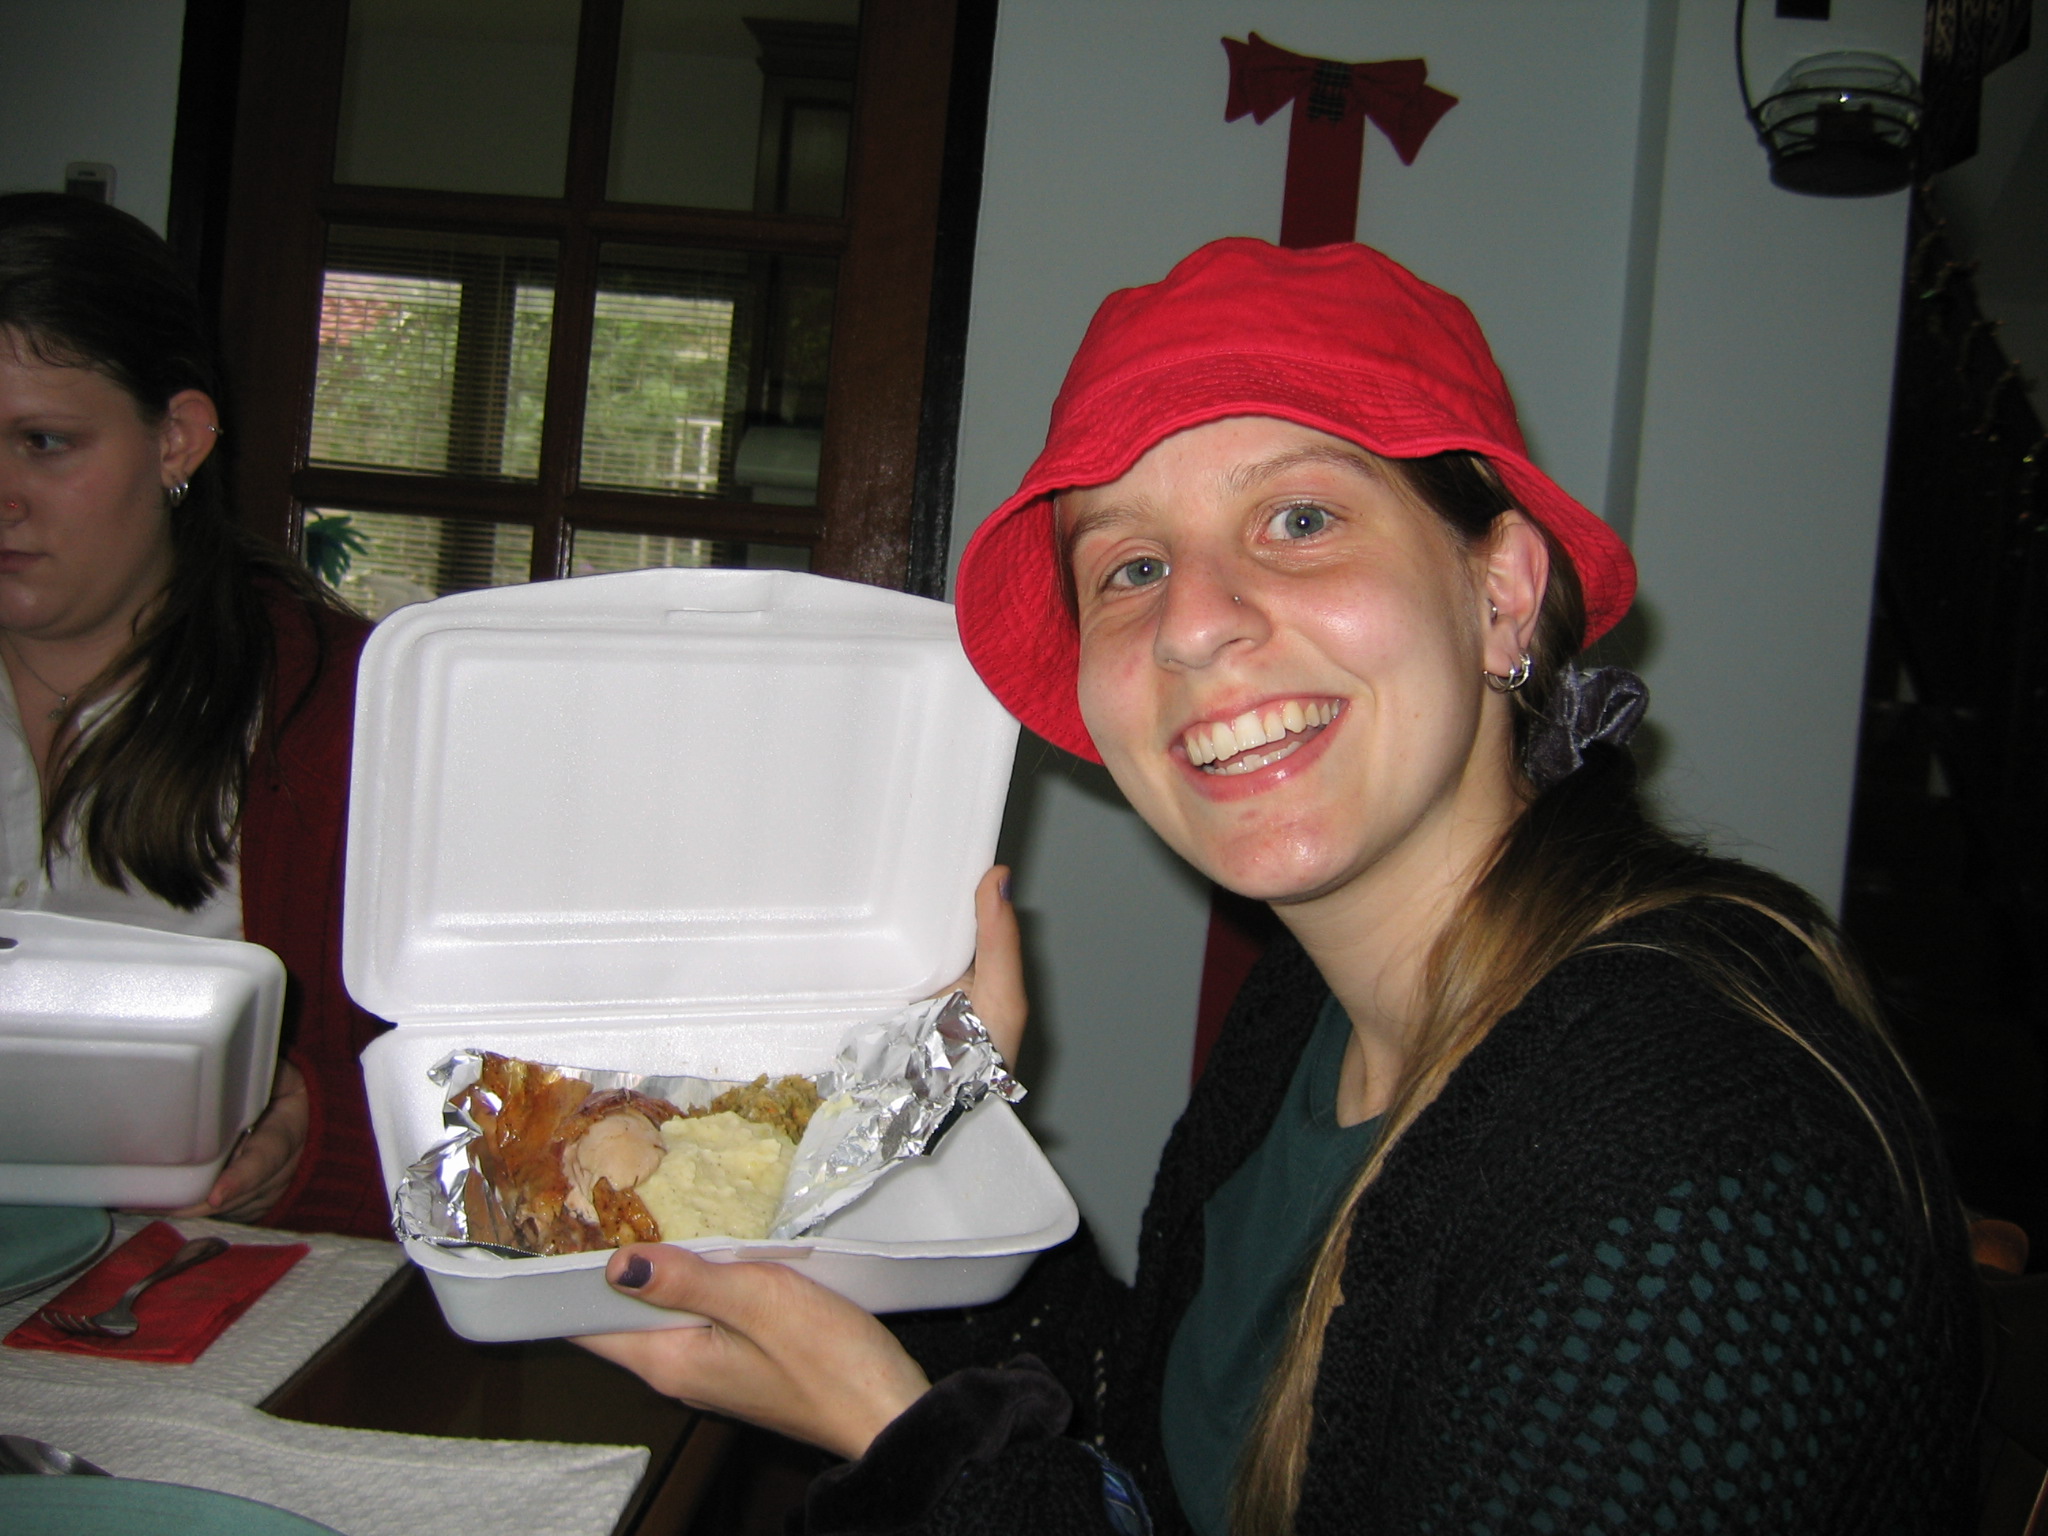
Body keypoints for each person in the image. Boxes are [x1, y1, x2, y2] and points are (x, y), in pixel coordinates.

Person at [576, 239, 1981, 1533]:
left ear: (1499, 595)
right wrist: (929, 1146)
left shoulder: (1690, 1152)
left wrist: (906, 1444)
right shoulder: (1309, 1010)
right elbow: (1146, 1432)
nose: (1191, 623)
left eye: (1300, 518)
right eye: (1131, 565)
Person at [0, 192, 389, 1238]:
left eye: (44, 441)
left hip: (213, 1294)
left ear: (176, 440)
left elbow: (502, 1104)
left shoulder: (346, 723)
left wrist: (317, 1137)